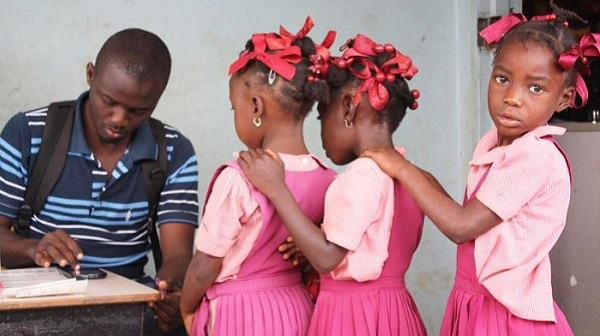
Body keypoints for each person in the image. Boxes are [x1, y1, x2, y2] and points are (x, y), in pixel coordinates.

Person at [364, 11, 600, 336]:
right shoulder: (496, 145)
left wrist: (402, 169)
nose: (513, 98)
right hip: (476, 301)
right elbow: (469, 218)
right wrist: (409, 170)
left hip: (505, 317)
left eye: (535, 88)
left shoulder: (535, 156)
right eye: (503, 79)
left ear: (564, 99)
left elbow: (462, 227)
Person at [0, 28, 199, 335]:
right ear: (90, 75)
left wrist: (169, 292)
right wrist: (33, 248)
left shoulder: (174, 150)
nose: (120, 119)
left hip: (130, 311)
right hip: (37, 310)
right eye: (109, 101)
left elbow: (178, 255)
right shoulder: (30, 132)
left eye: (138, 111)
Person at [237, 33, 427, 336]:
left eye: (323, 117)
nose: (323, 134)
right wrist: (309, 241)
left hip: (353, 316)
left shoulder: (360, 176)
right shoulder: (408, 173)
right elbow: (369, 243)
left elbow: (327, 258)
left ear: (349, 108)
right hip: (395, 311)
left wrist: (277, 189)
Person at [179, 16, 336, 336]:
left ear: (255, 107)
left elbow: (204, 266)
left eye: (233, 108)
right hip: (298, 309)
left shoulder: (238, 179)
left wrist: (186, 306)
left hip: (239, 315)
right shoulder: (327, 179)